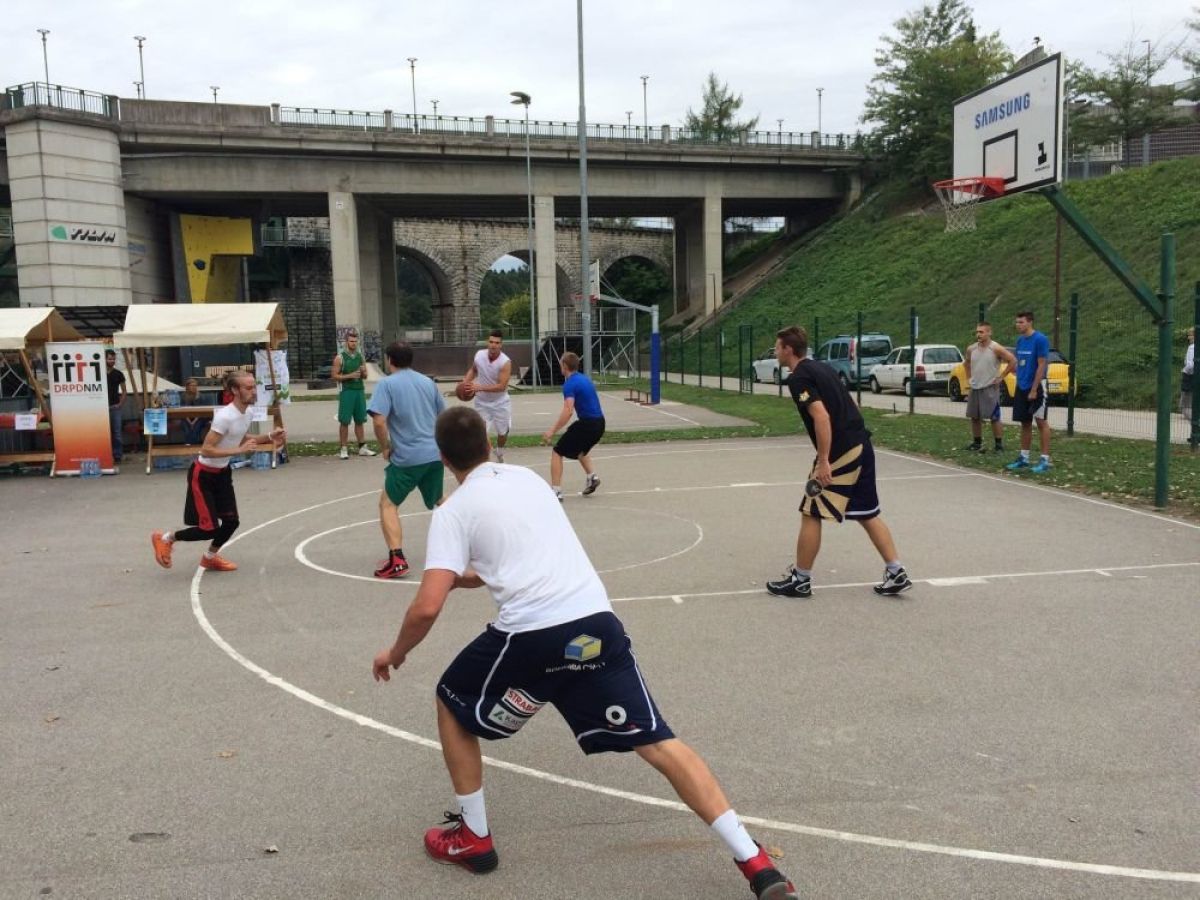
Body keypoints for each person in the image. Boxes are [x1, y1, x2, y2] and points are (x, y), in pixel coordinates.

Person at [371, 406, 800, 900]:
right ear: (489, 445)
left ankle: (474, 836)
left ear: (444, 459)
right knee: (658, 742)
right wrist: (467, 577)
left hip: (532, 637)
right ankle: (755, 861)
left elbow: (427, 607)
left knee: (452, 699)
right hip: (595, 625)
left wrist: (396, 652)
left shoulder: (454, 510)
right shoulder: (528, 480)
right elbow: (520, 555)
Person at [766, 326, 911, 598]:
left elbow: (821, 417)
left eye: (777, 347)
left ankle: (801, 580)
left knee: (811, 509)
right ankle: (896, 571)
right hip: (861, 444)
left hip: (840, 451)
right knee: (867, 513)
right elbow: (850, 404)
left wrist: (824, 460)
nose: (775, 352)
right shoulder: (824, 368)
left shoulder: (798, 378)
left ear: (788, 349)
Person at [150, 371, 285, 572]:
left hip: (222, 473)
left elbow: (240, 437)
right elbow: (206, 449)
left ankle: (210, 558)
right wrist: (239, 451)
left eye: (254, 387)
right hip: (203, 475)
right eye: (248, 388)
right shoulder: (225, 416)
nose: (254, 391)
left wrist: (270, 436)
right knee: (209, 529)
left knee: (231, 522)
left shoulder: (247, 413)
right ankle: (166, 538)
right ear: (235, 390)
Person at [368, 341, 446, 579]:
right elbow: (443, 416)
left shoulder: (387, 384)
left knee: (388, 504)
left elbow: (379, 421)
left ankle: (397, 559)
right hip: (434, 455)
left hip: (407, 458)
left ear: (389, 360)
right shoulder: (427, 383)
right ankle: (475, 542)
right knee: (441, 501)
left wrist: (385, 447)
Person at [541, 351, 603, 501]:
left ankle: (556, 491)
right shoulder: (584, 379)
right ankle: (592, 477)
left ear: (564, 365)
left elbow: (568, 411)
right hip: (600, 423)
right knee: (581, 450)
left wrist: (552, 431)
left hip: (587, 424)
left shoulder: (569, 384)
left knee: (557, 451)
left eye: (560, 364)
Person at [1005, 311, 1052, 474]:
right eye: (1017, 322)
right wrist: (1013, 374)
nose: (1018, 325)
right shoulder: (1020, 340)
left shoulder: (1040, 339)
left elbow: (1041, 365)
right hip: (1022, 386)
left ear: (1030, 322)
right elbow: (1019, 362)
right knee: (1025, 422)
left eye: (1021, 322)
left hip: (1036, 387)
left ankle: (1045, 460)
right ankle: (1024, 458)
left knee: (1041, 422)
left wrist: (1034, 388)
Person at [962, 322, 1015, 453]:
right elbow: (966, 364)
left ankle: (998, 445)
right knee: (974, 416)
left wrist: (1001, 377)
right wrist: (969, 379)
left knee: (994, 417)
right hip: (975, 387)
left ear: (989, 332)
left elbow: (1012, 360)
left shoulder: (995, 348)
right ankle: (977, 443)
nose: (978, 334)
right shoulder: (971, 349)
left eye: (981, 332)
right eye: (977, 332)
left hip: (989, 386)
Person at [462, 330, 513, 462]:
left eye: (496, 343)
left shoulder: (505, 362)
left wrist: (479, 387)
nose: (493, 345)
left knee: (502, 433)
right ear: (487, 342)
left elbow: (502, 386)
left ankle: (499, 451)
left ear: (501, 345)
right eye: (491, 342)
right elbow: (473, 370)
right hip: (482, 402)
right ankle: (487, 459)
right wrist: (465, 382)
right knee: (481, 432)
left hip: (500, 402)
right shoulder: (479, 355)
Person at [334, 330, 376, 460]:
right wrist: (350, 376)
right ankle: (343, 448)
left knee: (360, 420)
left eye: (355, 341)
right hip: (347, 391)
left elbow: (365, 376)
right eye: (351, 341)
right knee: (344, 420)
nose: (354, 343)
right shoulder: (340, 358)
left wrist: (363, 372)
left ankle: (362, 447)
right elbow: (334, 375)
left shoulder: (360, 357)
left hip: (359, 390)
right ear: (346, 342)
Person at [104, 349, 126, 464]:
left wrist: (120, 404)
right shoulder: (99, 373)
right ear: (104, 359)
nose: (112, 361)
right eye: (109, 359)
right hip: (102, 408)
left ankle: (117, 455)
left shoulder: (118, 374)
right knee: (104, 432)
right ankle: (106, 455)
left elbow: (124, 391)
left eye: (113, 359)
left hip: (115, 407)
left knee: (117, 433)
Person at [180, 377, 210, 446]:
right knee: (185, 425)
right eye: (192, 385)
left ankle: (192, 444)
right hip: (186, 417)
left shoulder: (201, 396)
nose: (194, 387)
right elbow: (182, 410)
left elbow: (202, 411)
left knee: (197, 425)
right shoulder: (183, 396)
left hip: (199, 417)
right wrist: (189, 422)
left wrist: (193, 422)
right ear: (187, 387)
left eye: (195, 385)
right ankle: (188, 444)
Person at [1181, 326, 1195, 421]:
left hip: (1189, 376)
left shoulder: (1192, 347)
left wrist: (1184, 370)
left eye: (1190, 335)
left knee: (1186, 404)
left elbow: (1190, 365)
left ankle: (1194, 422)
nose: (1188, 337)